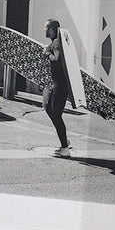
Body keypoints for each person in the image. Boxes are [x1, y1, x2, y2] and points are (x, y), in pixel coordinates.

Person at [43, 18, 73, 156]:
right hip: (58, 83)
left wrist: (47, 53)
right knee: (49, 108)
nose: (44, 30)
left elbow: (56, 58)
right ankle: (64, 140)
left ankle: (64, 148)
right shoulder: (56, 42)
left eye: (46, 27)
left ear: (51, 29)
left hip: (60, 84)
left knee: (55, 113)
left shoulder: (56, 43)